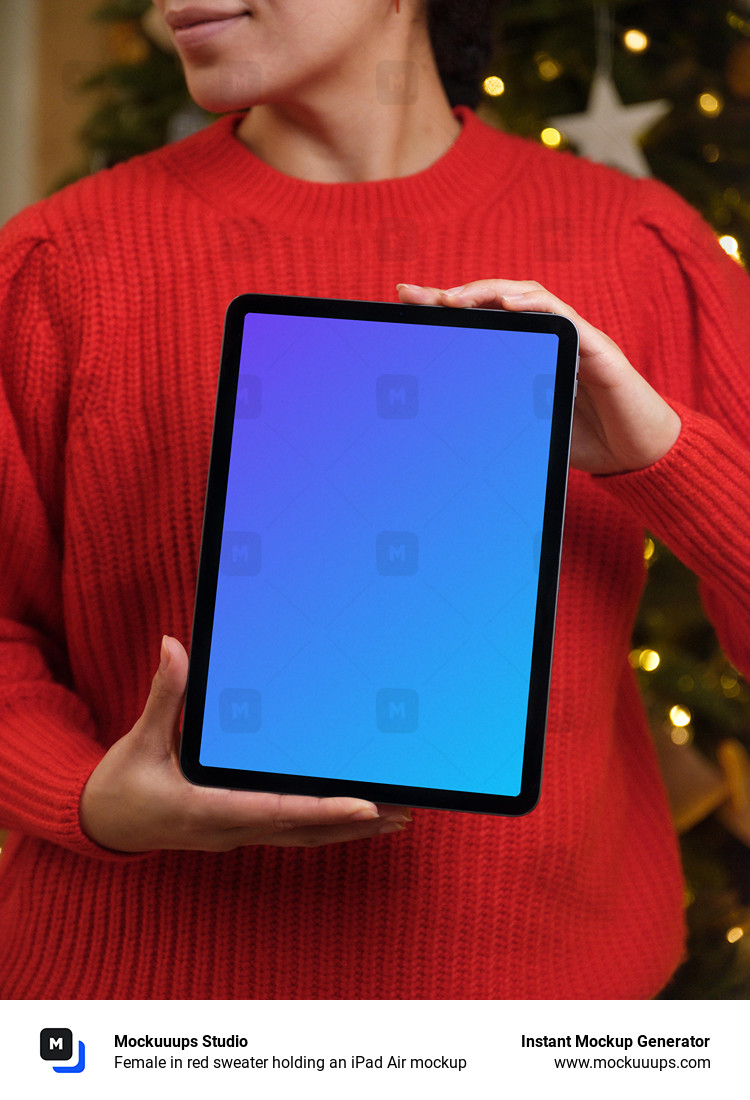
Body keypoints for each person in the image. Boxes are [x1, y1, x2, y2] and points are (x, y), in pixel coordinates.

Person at [0, 0, 748, 999]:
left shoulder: (646, 247)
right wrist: (89, 799)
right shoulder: (57, 265)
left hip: (539, 1017)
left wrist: (664, 457)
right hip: (138, 1013)